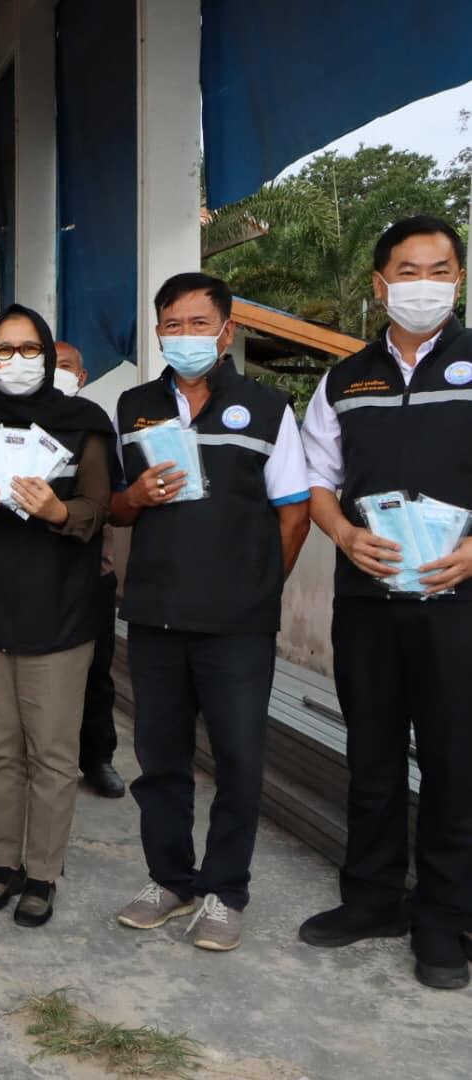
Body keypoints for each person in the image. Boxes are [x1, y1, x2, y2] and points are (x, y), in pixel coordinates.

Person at [111, 272, 310, 953]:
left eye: (200, 323)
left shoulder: (267, 408)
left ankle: (226, 890)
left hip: (237, 625)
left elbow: (294, 512)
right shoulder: (134, 406)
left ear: (227, 332)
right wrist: (135, 495)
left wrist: (259, 589)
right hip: (156, 616)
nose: (185, 335)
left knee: (239, 760)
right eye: (173, 324)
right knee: (159, 759)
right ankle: (170, 880)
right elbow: (117, 509)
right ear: (158, 331)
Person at [297, 216, 472, 990]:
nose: (424, 285)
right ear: (380, 284)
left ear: (458, 279)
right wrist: (341, 534)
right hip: (367, 599)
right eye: (408, 271)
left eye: (440, 270)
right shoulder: (345, 380)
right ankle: (371, 899)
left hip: (457, 602)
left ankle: (443, 917)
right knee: (370, 754)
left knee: (454, 759)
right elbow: (318, 480)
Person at [0, 306, 114, 928]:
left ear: (47, 353)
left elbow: (99, 507)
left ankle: (42, 871)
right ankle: (4, 863)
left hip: (59, 611)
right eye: (3, 350)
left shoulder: (84, 422)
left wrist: (57, 512)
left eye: (29, 348)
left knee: (53, 755)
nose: (16, 361)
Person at [54, 341, 126, 800]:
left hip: (92, 572)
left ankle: (97, 757)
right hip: (35, 576)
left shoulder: (98, 425)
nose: (56, 372)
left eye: (66, 366)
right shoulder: (17, 424)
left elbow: (113, 499)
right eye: (50, 364)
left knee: (96, 672)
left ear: (81, 377)